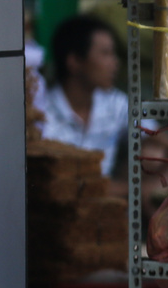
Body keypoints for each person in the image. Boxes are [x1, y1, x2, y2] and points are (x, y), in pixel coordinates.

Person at [40, 14, 127, 178]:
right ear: (74, 62)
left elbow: (158, 137)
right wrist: (137, 190)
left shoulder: (115, 102)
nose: (115, 63)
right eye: (105, 53)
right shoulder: (43, 115)